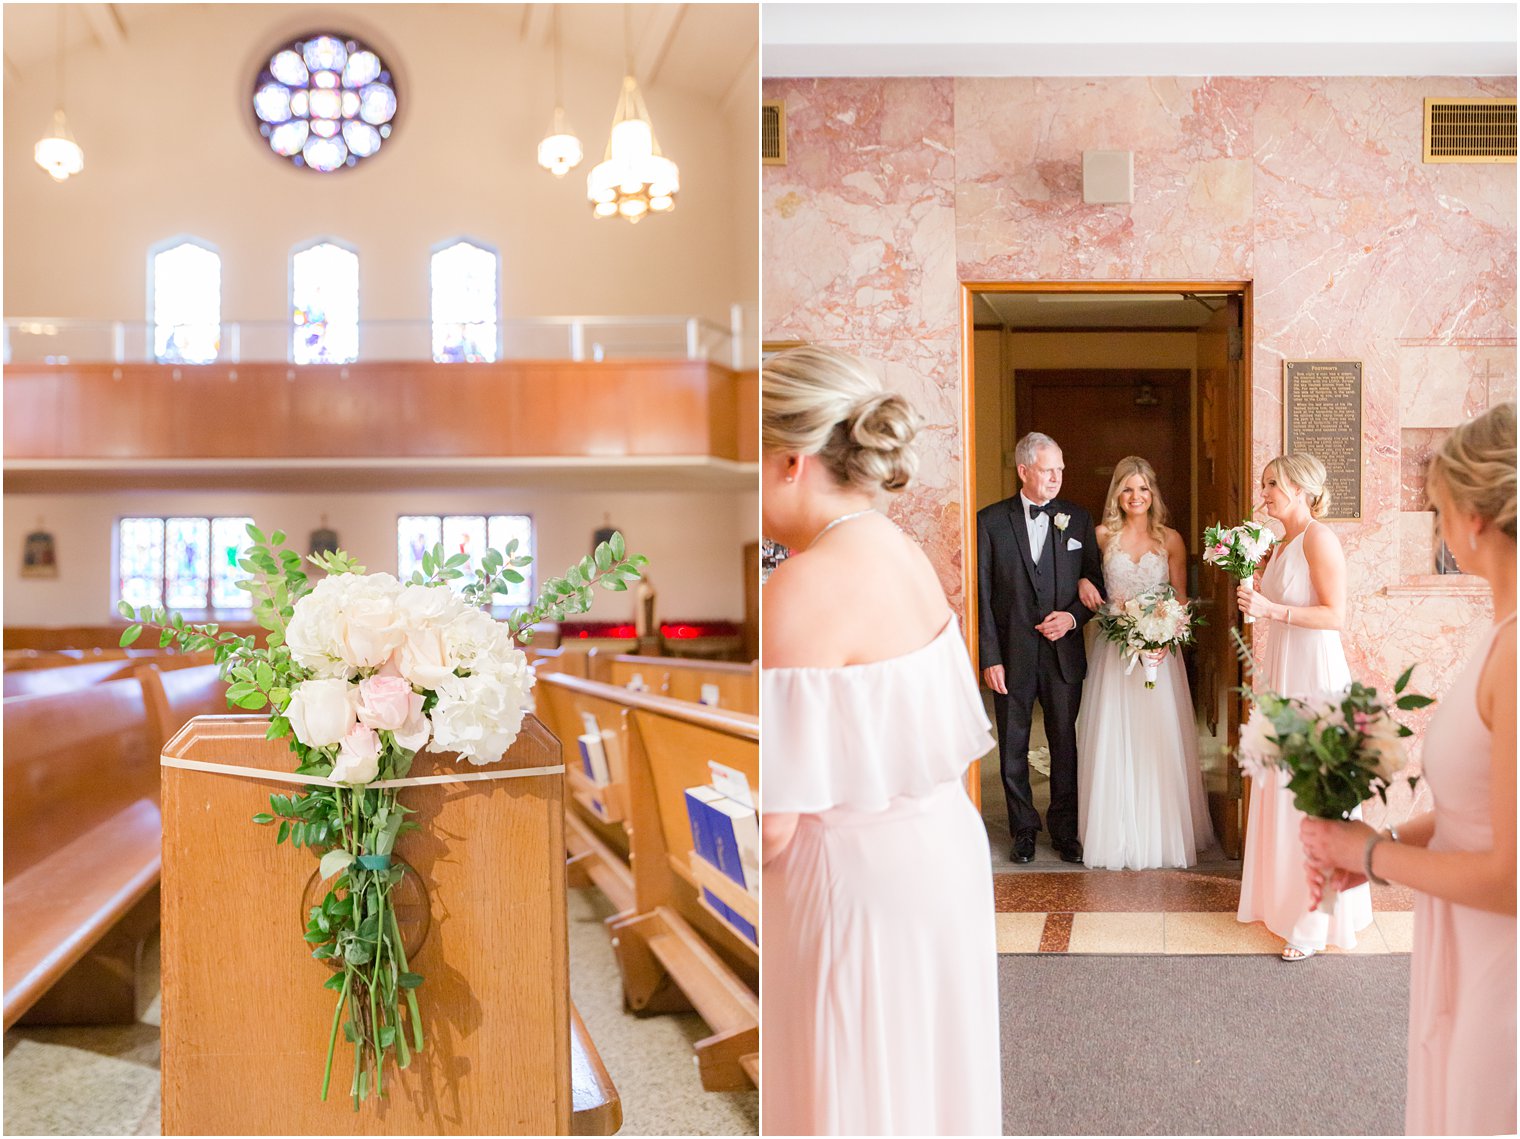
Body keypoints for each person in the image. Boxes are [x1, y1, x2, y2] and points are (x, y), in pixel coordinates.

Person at [760, 346, 1001, 1136]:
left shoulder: (800, 582)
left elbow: (775, 821)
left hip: (852, 880)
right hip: (939, 856)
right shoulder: (902, 551)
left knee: (856, 1082)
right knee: (926, 1084)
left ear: (791, 460)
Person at [1300, 402, 1515, 1136]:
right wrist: (1381, 847)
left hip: (1503, 965)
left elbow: (1510, 875)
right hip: (1468, 943)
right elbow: (1474, 813)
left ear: (1474, 518)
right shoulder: (1501, 635)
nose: (1436, 524)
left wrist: (1368, 850)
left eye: (1436, 508)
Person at [1235, 452, 1373, 959]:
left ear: (1301, 489)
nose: (1264, 491)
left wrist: (1272, 609)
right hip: (1284, 670)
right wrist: (1252, 593)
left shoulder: (1320, 538)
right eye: (1265, 482)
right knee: (1284, 786)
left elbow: (1335, 615)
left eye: (1273, 483)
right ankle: (1283, 900)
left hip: (1315, 675)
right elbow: (1274, 605)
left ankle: (1316, 922)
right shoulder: (1278, 542)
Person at [1077, 456, 1215, 870]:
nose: (1135, 496)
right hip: (1113, 652)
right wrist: (1084, 581)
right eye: (1127, 488)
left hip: (1159, 651)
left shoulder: (1169, 539)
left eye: (1142, 488)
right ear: (1117, 494)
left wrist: (1165, 634)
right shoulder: (1101, 537)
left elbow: (1180, 599)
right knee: (1113, 736)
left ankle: (1161, 834)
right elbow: (1083, 580)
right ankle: (1114, 833)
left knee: (1156, 739)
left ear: (1152, 493)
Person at [977, 432, 1105, 863]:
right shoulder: (989, 522)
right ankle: (1024, 830)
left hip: (1062, 654)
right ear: (1024, 470)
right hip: (1010, 654)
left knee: (1064, 742)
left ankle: (1065, 830)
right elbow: (981, 595)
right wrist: (989, 655)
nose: (1057, 477)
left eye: (1061, 469)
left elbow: (1096, 583)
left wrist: (1071, 617)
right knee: (1013, 744)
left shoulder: (1078, 519)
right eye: (1049, 469)